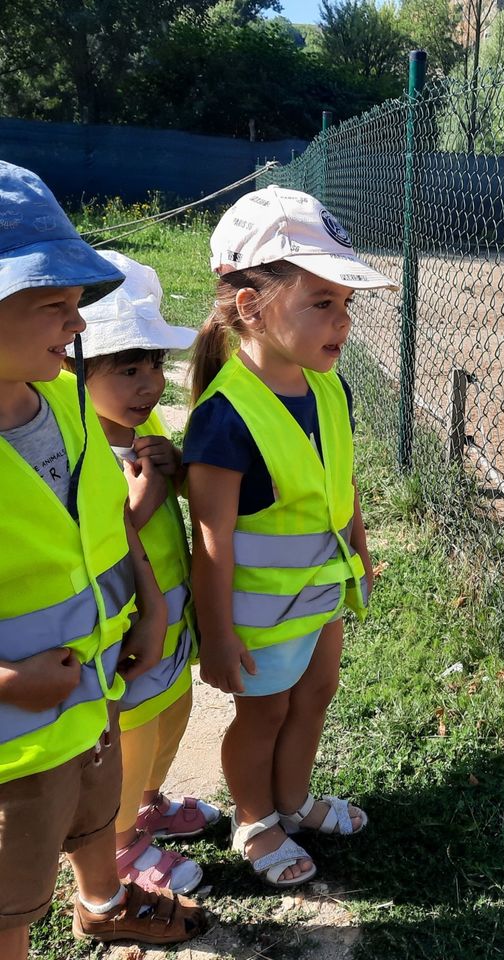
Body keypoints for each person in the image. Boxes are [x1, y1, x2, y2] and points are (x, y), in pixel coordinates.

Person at [0, 163, 207, 959]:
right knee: (10, 893)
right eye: (53, 304)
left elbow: (105, 528)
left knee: (95, 813)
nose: (76, 323)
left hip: (92, 689)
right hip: (15, 734)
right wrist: (10, 684)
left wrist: (150, 604)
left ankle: (102, 900)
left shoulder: (59, 400)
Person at [184, 185, 395, 887]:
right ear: (250, 307)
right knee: (265, 711)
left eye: (347, 305)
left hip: (320, 595)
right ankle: (255, 817)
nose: (342, 323)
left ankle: (294, 799)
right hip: (258, 614)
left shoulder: (328, 385)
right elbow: (210, 541)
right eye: (322, 303)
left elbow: (342, 480)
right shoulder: (224, 419)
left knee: (316, 693)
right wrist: (216, 635)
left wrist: (359, 550)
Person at [63, 250, 220, 895]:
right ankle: (123, 843)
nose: (148, 384)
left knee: (174, 712)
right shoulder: (75, 441)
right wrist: (143, 504)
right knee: (132, 733)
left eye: (155, 363)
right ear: (75, 367)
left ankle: (148, 804)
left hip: (172, 610)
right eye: (128, 368)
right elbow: (99, 534)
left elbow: (167, 490)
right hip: (129, 626)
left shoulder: (141, 421)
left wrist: (176, 468)